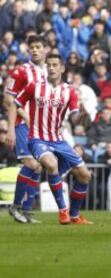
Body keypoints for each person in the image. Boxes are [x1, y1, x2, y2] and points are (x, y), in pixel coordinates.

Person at [14, 53, 93, 225]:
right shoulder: (34, 86)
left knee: (85, 175)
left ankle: (74, 215)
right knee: (51, 164)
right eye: (48, 65)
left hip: (58, 140)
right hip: (37, 138)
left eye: (55, 65)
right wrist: (24, 121)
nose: (51, 68)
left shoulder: (69, 91)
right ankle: (62, 210)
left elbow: (74, 118)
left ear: (62, 68)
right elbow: (16, 103)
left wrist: (82, 114)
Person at [4, 35, 46, 224]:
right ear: (28, 50)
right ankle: (15, 206)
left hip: (40, 127)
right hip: (23, 124)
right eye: (32, 47)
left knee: (38, 166)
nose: (35, 50)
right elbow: (8, 100)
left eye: (38, 47)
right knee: (30, 164)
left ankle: (26, 209)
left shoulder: (47, 72)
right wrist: (12, 128)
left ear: (44, 49)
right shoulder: (21, 71)